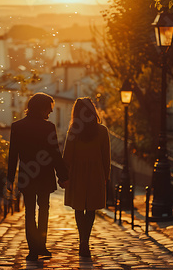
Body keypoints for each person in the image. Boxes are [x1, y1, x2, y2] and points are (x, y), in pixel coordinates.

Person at [7, 92, 69, 261]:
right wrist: (63, 175)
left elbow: (13, 154)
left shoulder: (17, 126)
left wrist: (10, 178)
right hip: (44, 175)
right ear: (41, 108)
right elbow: (55, 153)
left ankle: (33, 249)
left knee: (29, 212)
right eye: (48, 110)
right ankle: (41, 244)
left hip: (27, 175)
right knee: (44, 210)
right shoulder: (48, 127)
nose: (49, 113)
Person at [63, 97, 111, 257]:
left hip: (77, 173)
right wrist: (106, 175)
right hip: (95, 173)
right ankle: (85, 240)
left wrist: (64, 175)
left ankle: (81, 239)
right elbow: (106, 157)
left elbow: (67, 155)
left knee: (78, 208)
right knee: (90, 209)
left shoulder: (73, 131)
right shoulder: (102, 131)